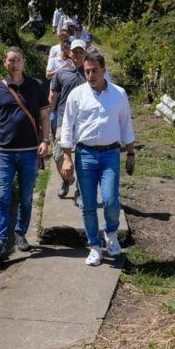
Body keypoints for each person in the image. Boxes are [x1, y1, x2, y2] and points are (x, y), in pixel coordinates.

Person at [58, 51, 136, 266]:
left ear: (104, 70)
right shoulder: (77, 95)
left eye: (94, 71)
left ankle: (110, 233)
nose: (90, 75)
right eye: (87, 71)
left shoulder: (119, 94)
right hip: (85, 155)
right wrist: (67, 157)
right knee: (88, 204)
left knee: (111, 200)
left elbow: (126, 125)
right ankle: (94, 246)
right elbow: (67, 126)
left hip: (110, 153)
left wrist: (130, 153)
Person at [0, 46, 51, 257]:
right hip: (3, 152)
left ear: (24, 62)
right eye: (11, 60)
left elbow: (45, 116)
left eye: (18, 59)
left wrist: (45, 140)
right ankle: (0, 240)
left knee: (26, 196)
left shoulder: (36, 86)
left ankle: (20, 233)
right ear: (5, 63)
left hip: (29, 152)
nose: (15, 63)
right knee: (2, 197)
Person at [49, 39, 87, 198]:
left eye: (81, 52)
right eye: (75, 51)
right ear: (69, 53)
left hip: (85, 122)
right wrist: (46, 117)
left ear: (85, 54)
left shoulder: (91, 72)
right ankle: (67, 178)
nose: (77, 55)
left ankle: (80, 190)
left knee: (82, 159)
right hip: (63, 120)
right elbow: (52, 96)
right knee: (58, 156)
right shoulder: (60, 73)